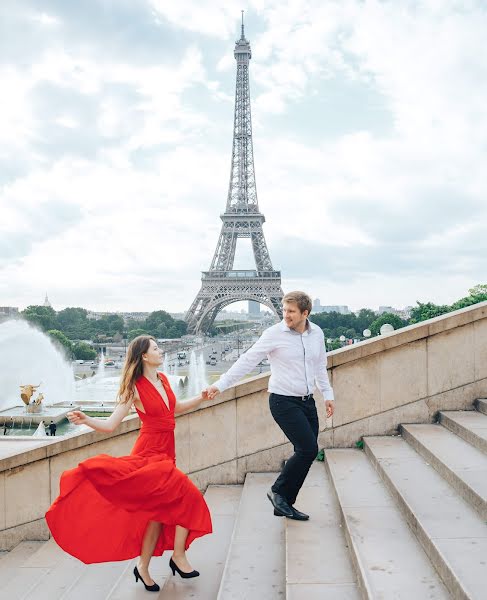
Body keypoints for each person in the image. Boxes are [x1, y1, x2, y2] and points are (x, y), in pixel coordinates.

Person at [46, 335, 212, 592]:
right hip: (149, 455)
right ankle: (178, 556)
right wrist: (87, 419)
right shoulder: (135, 387)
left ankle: (142, 567)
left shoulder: (164, 380)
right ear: (144, 356)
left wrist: (201, 397)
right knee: (188, 496)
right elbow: (111, 425)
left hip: (167, 453)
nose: (161, 351)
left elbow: (175, 407)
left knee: (157, 516)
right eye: (156, 348)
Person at [206, 291, 335, 522]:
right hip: (283, 400)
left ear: (305, 313)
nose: (286, 315)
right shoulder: (274, 334)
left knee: (306, 452)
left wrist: (328, 394)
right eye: (284, 310)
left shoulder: (317, 334)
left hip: (307, 401)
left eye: (291, 311)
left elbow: (320, 367)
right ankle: (277, 492)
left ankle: (285, 502)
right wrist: (221, 384)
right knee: (307, 449)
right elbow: (248, 360)